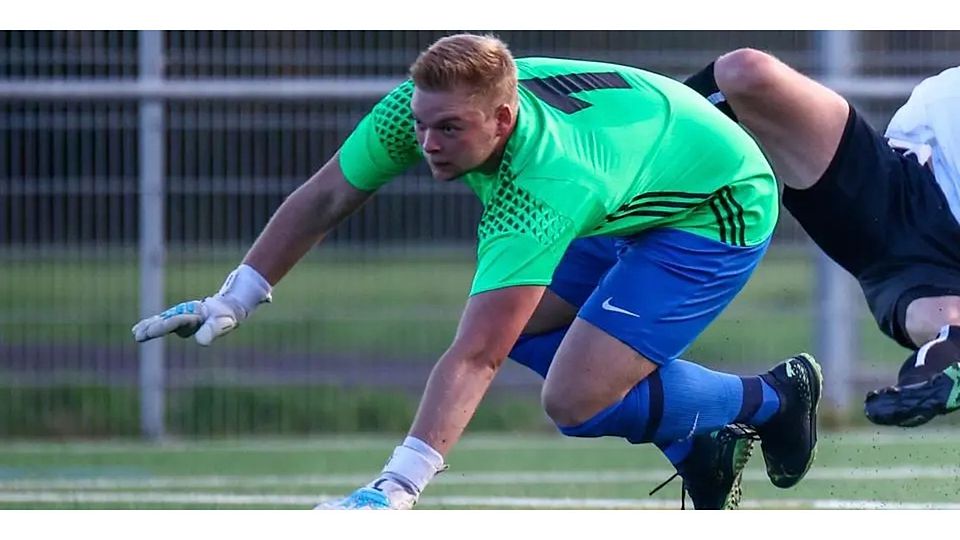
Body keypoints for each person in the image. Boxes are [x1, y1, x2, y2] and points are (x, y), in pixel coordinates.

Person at [131, 34, 822, 510]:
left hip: (717, 204)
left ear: (502, 117)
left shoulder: (543, 185)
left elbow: (476, 356)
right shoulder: (418, 107)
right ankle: (696, 440)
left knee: (573, 402)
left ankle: (772, 399)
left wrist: (395, 488)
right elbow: (325, 196)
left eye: (450, 130)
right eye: (424, 124)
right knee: (527, 332)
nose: (428, 143)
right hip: (638, 175)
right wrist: (239, 295)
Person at [682, 49, 960, 428]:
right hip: (895, 189)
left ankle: (942, 363)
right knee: (746, 73)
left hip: (916, 262)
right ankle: (645, 155)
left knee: (949, 323)